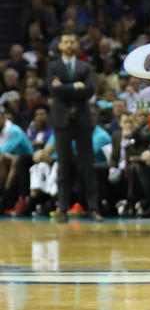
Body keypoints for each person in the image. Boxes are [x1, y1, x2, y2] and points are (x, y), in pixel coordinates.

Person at [46, 32, 102, 222]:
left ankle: (93, 208)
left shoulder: (85, 66)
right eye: (66, 41)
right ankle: (63, 209)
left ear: (77, 45)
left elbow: (89, 90)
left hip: (82, 121)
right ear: (60, 46)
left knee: (88, 166)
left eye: (72, 41)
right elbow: (53, 90)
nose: (69, 44)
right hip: (62, 121)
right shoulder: (53, 66)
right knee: (63, 167)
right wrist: (75, 87)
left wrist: (65, 88)